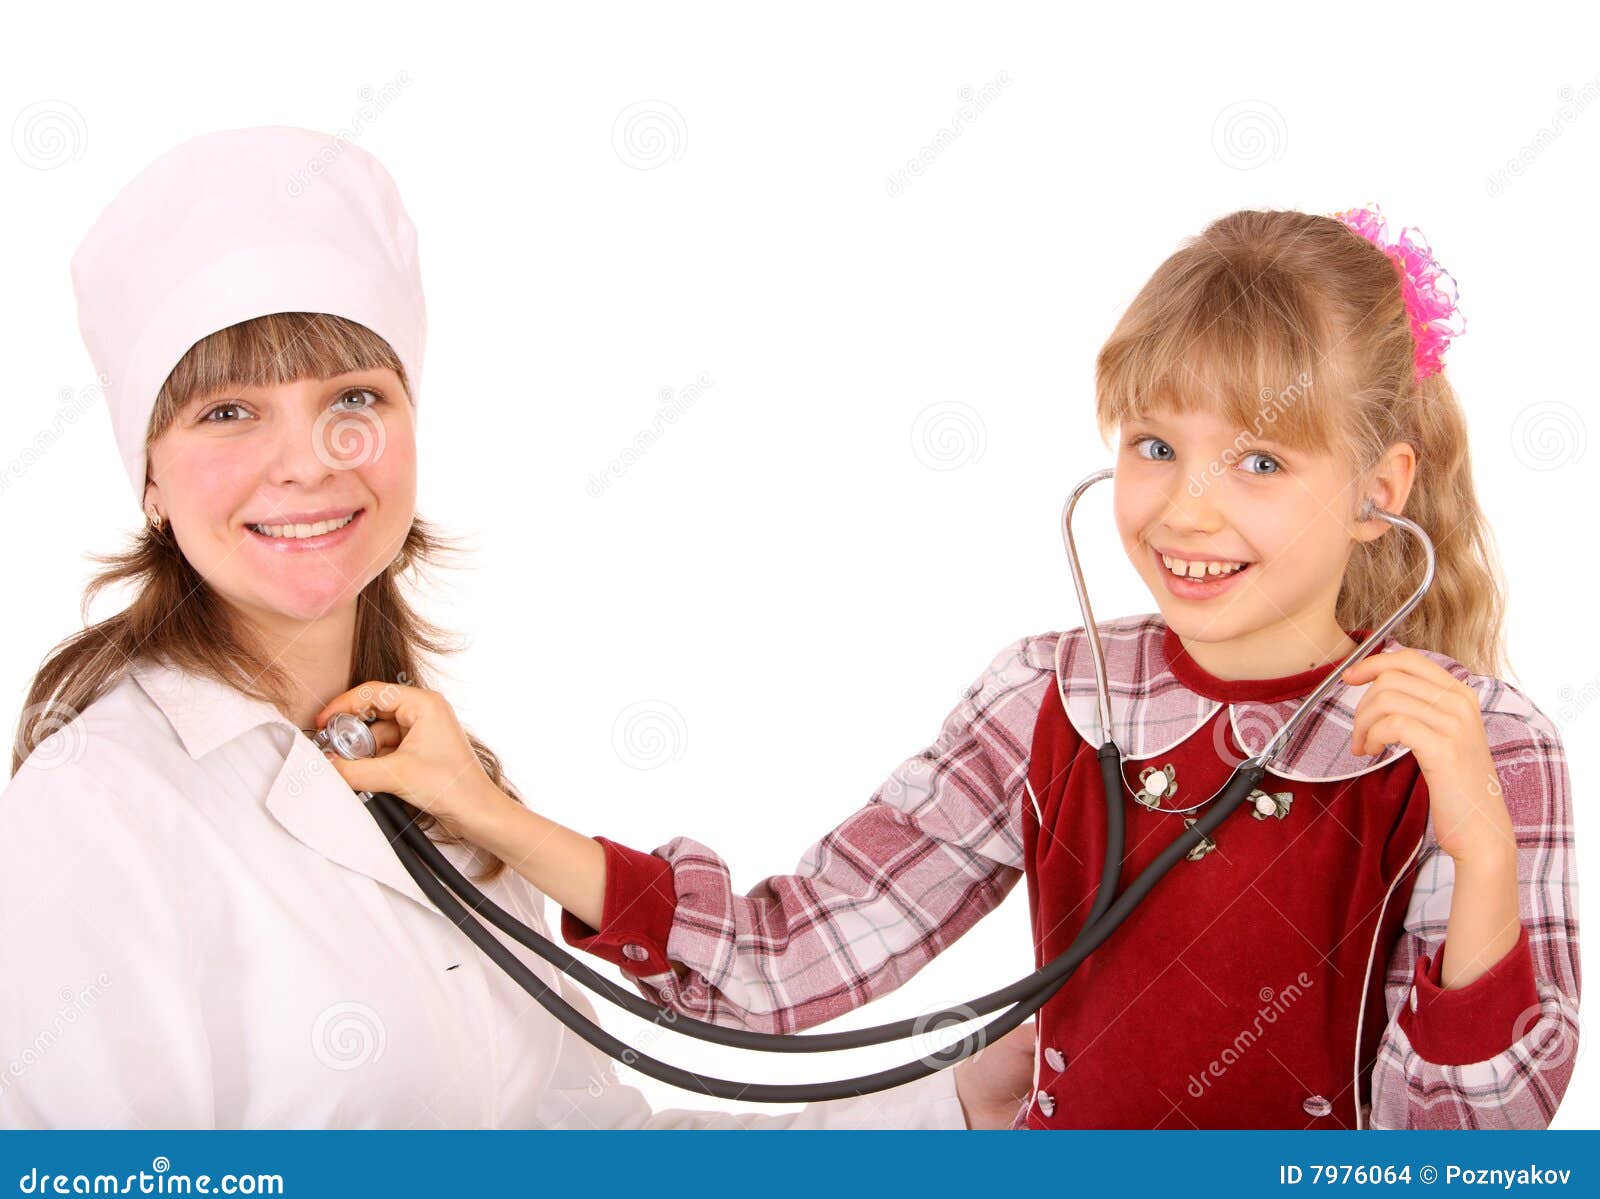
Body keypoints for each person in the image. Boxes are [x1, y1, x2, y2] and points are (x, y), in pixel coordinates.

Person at [331, 207, 1580, 1129]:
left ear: (1379, 491)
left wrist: (1473, 840)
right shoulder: (1048, 695)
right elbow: (782, 963)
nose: (1185, 512)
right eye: (1154, 445)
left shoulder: (1477, 745)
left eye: (1260, 461)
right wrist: (489, 812)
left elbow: (1467, 1156)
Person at [0, 125, 1034, 1129]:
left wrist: (949, 1113)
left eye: (353, 395)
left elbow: (591, 1165)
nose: (309, 459)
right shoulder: (93, 814)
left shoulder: (448, 797)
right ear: (146, 473)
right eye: (228, 411)